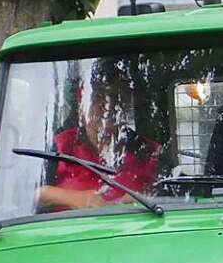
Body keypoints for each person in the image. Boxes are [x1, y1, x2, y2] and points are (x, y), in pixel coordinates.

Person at [38, 73, 161, 211]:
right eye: (98, 96)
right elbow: (30, 194)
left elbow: (176, 195)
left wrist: (145, 200)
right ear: (82, 101)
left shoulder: (149, 151)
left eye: (117, 97)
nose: (109, 105)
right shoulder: (59, 145)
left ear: (127, 103)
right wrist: (72, 198)